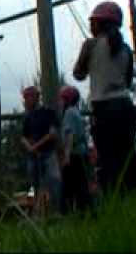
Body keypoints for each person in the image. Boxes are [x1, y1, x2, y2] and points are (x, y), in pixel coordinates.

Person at [73, 1, 136, 194]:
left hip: (103, 110)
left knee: (108, 159)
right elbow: (128, 82)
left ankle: (113, 201)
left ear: (101, 23)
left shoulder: (90, 45)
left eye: (93, 22)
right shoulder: (127, 50)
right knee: (128, 155)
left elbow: (78, 74)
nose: (90, 26)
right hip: (125, 107)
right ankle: (132, 197)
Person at [21, 86, 62, 215]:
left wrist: (36, 146)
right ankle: (32, 211)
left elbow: (53, 133)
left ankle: (56, 210)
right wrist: (30, 147)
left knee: (54, 180)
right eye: (25, 98)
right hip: (32, 157)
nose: (25, 101)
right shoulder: (28, 116)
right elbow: (23, 136)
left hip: (48, 154)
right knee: (32, 185)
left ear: (36, 97)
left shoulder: (48, 112)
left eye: (28, 97)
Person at [58, 85, 91, 214]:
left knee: (68, 187)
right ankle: (85, 211)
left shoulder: (69, 113)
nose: (59, 102)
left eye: (61, 99)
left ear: (67, 99)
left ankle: (67, 214)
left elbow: (70, 135)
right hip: (81, 153)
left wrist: (66, 157)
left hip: (74, 154)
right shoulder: (76, 111)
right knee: (81, 184)